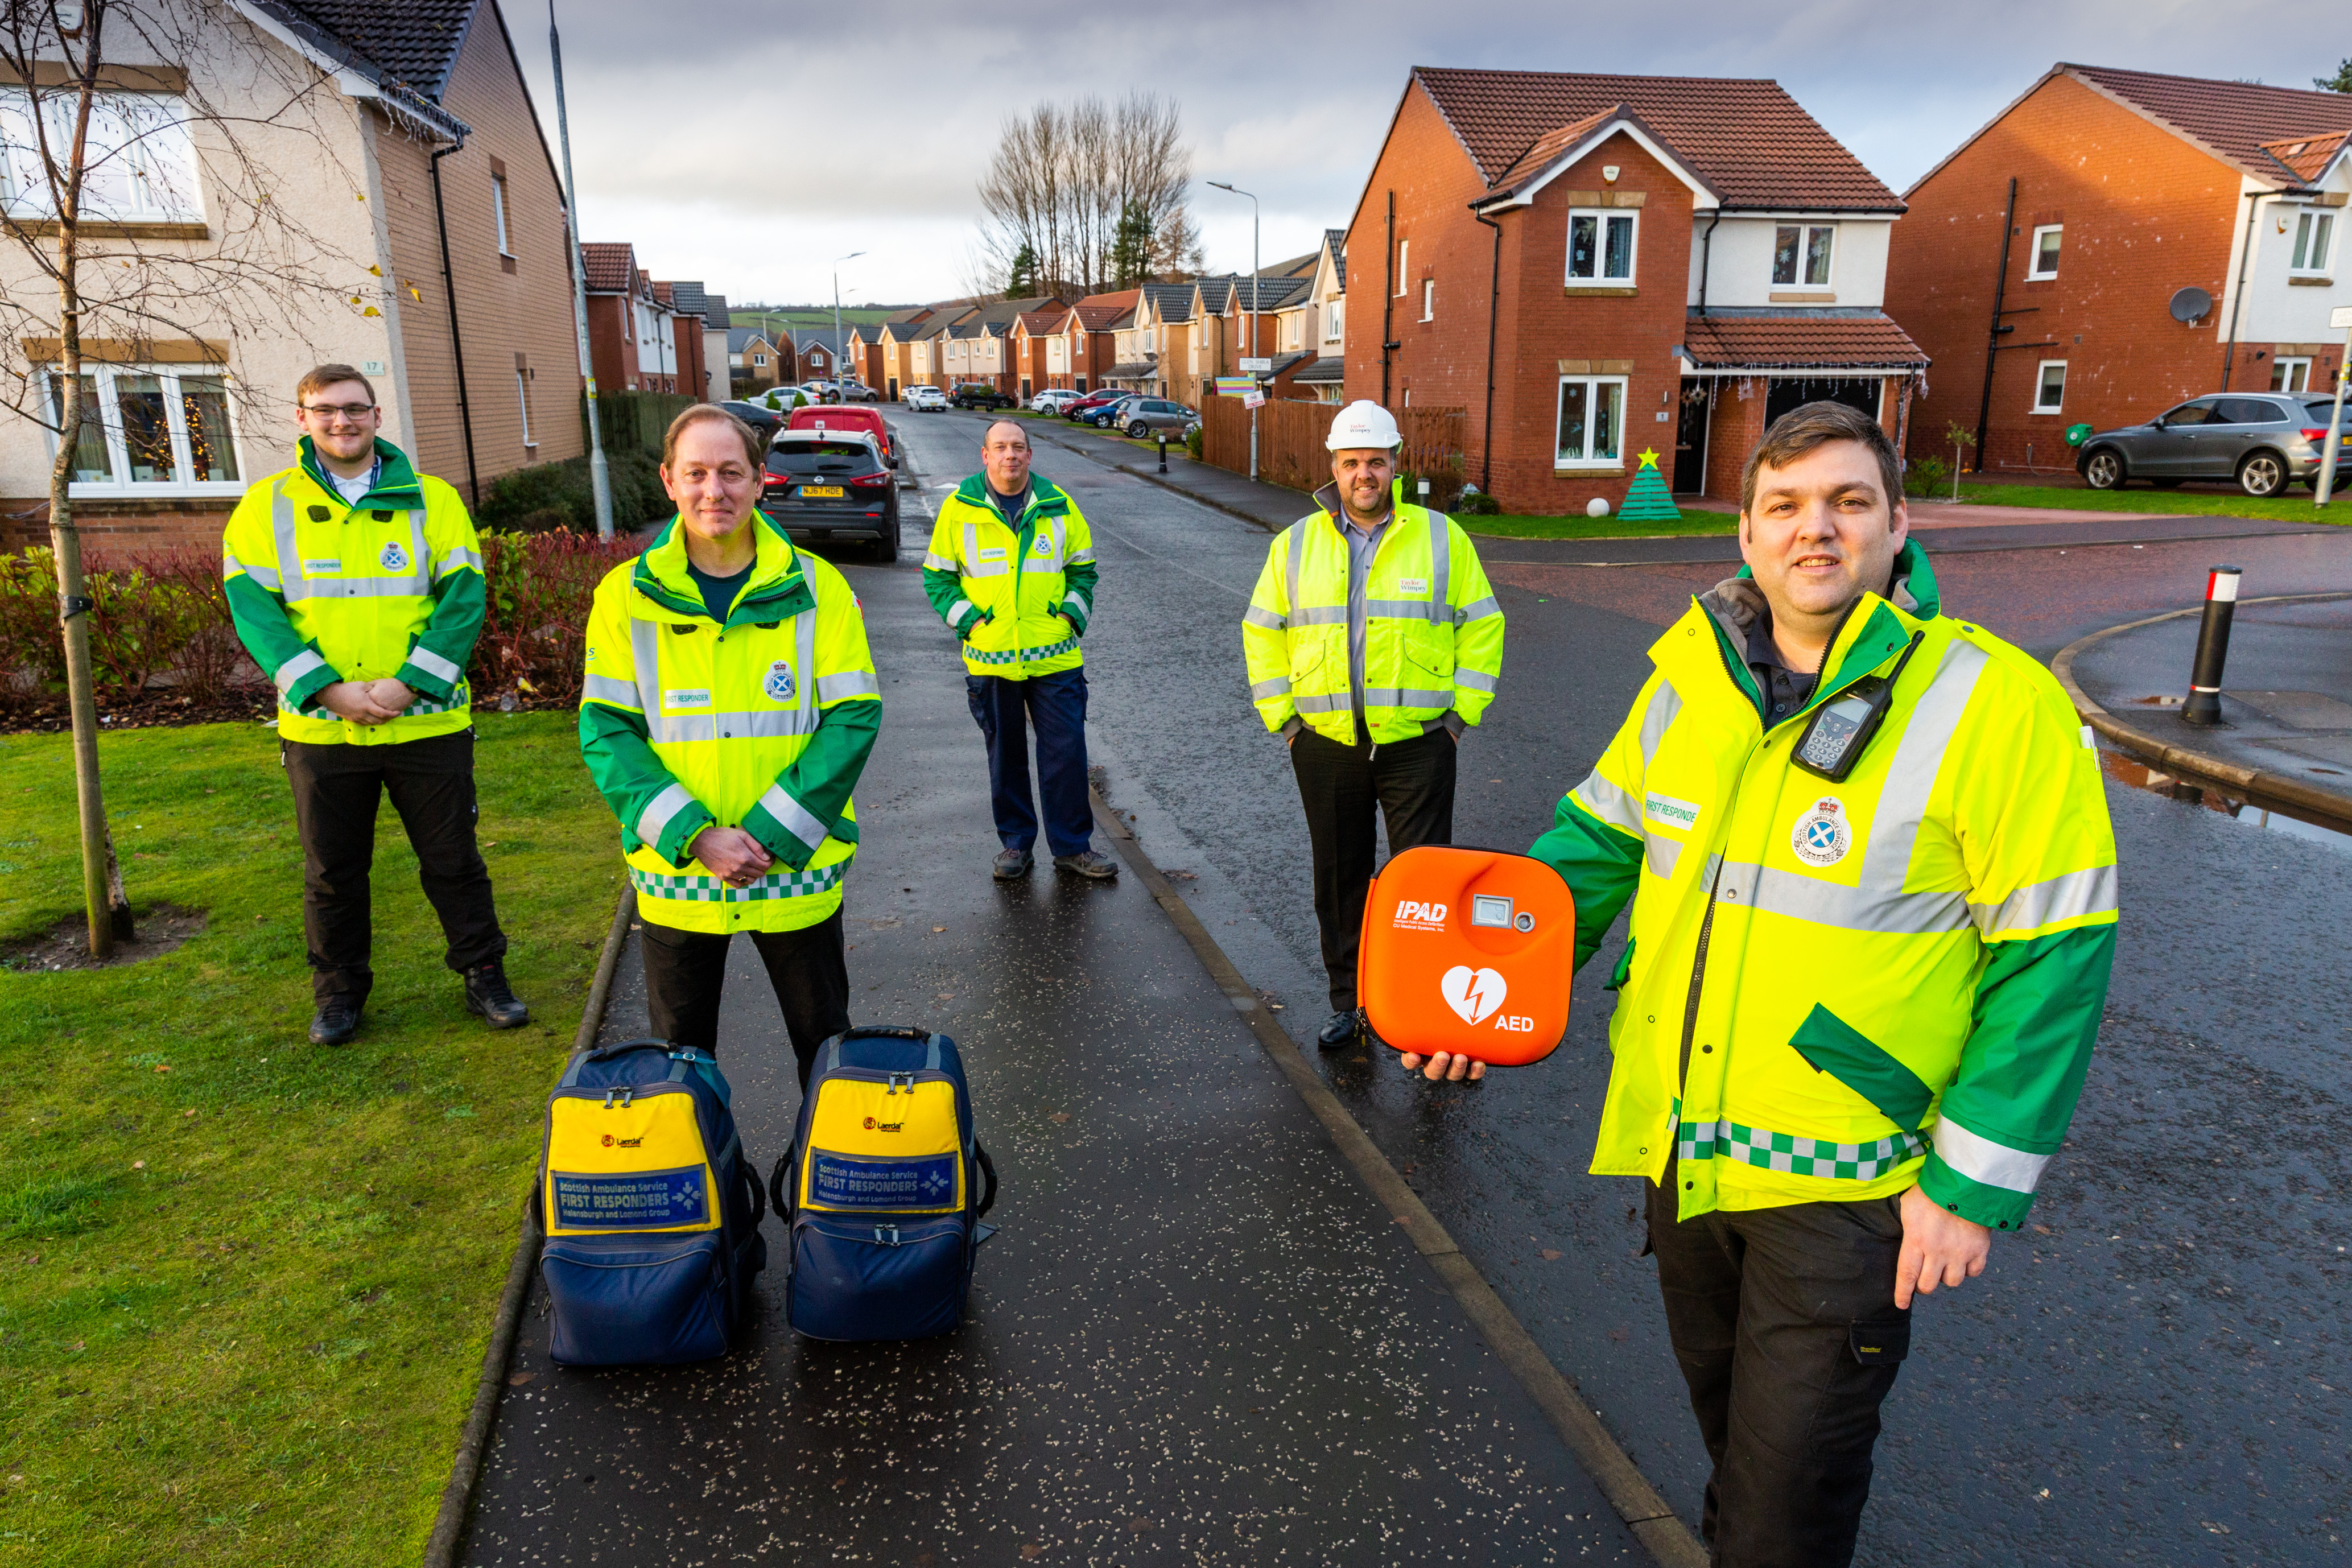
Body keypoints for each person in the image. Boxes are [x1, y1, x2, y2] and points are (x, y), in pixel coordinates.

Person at [1468, 400, 2116, 1567]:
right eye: (1785, 506)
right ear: (1748, 536)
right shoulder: (1690, 679)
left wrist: (1971, 1180)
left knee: (1784, 1507)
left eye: (1847, 501)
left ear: (1898, 523)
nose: (1815, 529)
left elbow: (2055, 950)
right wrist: (1480, 986)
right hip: (1688, 1156)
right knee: (1737, 1457)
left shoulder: (1992, 700)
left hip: (1849, 1179)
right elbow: (1593, 851)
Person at [222, 364, 526, 1046]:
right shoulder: (266, 506)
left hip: (426, 721)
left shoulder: (434, 499)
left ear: (378, 416)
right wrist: (327, 690)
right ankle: (338, 996)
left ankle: (485, 975)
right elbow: (256, 613)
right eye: (325, 410)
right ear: (302, 419)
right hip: (322, 728)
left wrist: (407, 684)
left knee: (454, 862)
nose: (342, 421)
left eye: (355, 408)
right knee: (332, 873)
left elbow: (463, 599)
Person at [579, 406, 880, 1088]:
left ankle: (823, 1191)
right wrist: (696, 836)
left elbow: (853, 717)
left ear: (759, 481)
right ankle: (711, 1195)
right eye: (697, 473)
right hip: (680, 877)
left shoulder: (819, 588)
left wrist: (768, 833)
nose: (714, 490)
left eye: (731, 473)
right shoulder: (623, 599)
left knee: (826, 1060)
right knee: (680, 1072)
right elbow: (606, 732)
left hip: (794, 874)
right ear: (668, 481)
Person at [1241, 399, 1505, 1052]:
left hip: (1419, 743)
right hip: (1325, 745)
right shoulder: (1294, 545)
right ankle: (1351, 1003)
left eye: (1377, 462)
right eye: (1353, 462)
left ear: (1395, 464)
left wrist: (1457, 720)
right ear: (1334, 467)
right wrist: (1286, 723)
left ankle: (1425, 1011)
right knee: (1340, 878)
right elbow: (1261, 632)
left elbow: (1484, 625)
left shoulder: (1442, 537)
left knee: (1426, 884)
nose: (1366, 473)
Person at [922, 418, 1116, 881]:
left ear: (1030, 456)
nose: (1010, 455)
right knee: (1006, 758)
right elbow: (938, 577)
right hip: (991, 660)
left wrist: (1071, 618)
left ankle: (1072, 847)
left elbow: (1083, 571)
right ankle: (1015, 845)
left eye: (1019, 447)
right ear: (985, 456)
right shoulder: (960, 509)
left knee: (1066, 757)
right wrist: (968, 622)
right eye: (1000, 447)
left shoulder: (1059, 506)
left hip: (1056, 659)